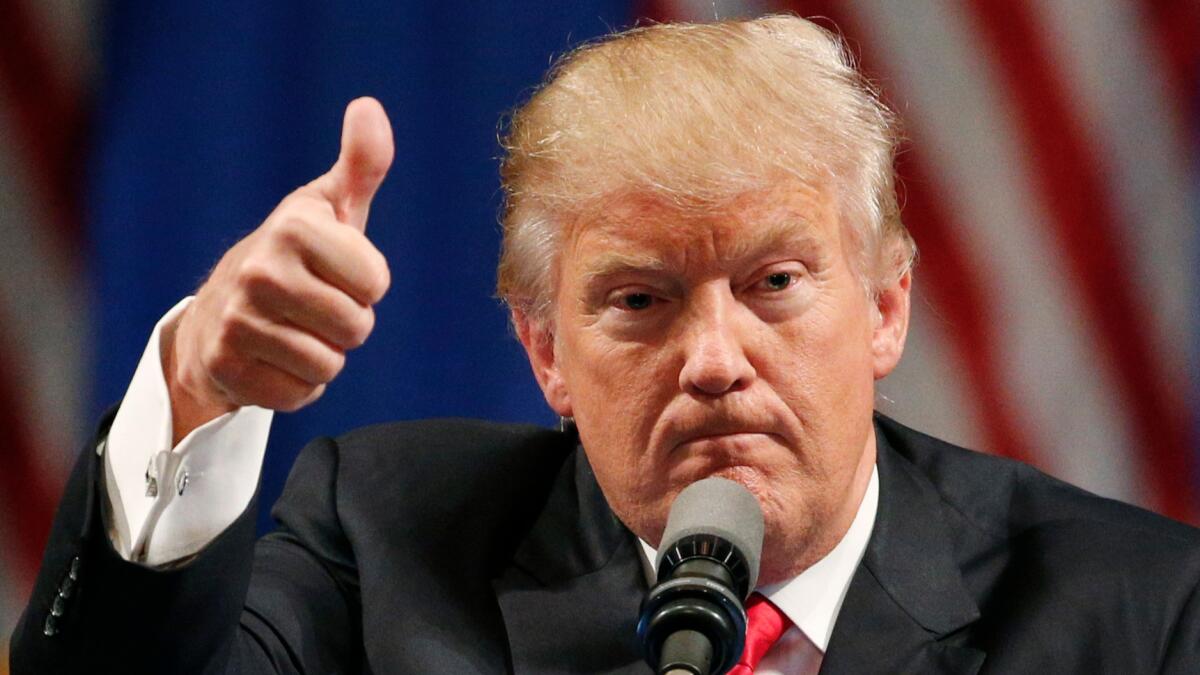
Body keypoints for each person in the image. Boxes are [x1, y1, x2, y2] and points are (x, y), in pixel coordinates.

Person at [11, 15, 1200, 674]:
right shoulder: (383, 544)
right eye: (638, 301)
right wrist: (198, 389)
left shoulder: (1135, 612)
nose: (716, 359)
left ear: (885, 309)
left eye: (775, 283)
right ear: (544, 355)